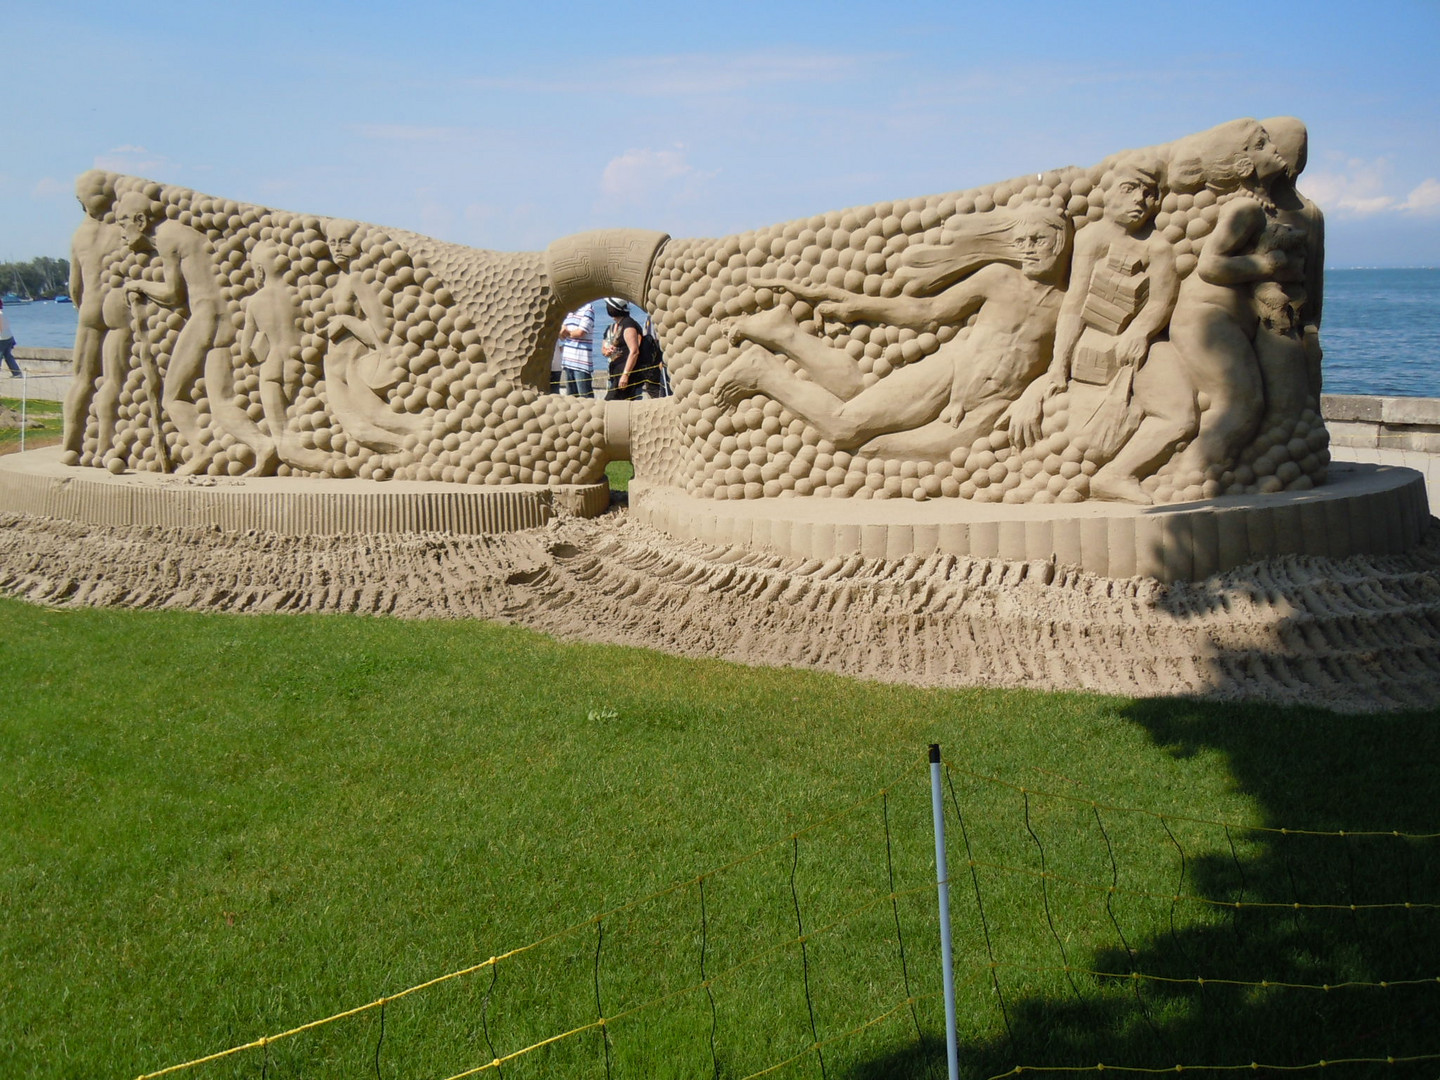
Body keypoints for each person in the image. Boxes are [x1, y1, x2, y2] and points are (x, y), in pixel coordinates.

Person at [715, 204, 1069, 457]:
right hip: (947, 375)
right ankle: (762, 372)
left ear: (1061, 240)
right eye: (1021, 242)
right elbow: (929, 313)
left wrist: (1034, 394)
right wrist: (859, 305)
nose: (1027, 250)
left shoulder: (1068, 306)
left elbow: (1062, 369)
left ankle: (784, 334)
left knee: (866, 428)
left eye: (1037, 240)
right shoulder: (999, 278)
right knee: (845, 429)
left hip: (987, 408)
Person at [1018, 159, 1193, 503]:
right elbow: (1075, 304)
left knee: (1181, 417)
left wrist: (1141, 330)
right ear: (1106, 194)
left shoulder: (1157, 246)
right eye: (1130, 189)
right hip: (1095, 343)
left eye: (1149, 193)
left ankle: (1117, 475)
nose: (1140, 200)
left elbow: (1162, 300)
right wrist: (1058, 366)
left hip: (1141, 345)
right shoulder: (1092, 237)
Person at [1164, 118, 1297, 479]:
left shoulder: (1260, 206)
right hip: (1205, 319)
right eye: (1263, 145)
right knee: (1241, 404)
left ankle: (1211, 472)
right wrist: (1266, 265)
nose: (1276, 150)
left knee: (1245, 404)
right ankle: (1191, 477)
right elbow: (1210, 264)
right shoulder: (1245, 209)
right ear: (1244, 165)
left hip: (1224, 321)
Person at [117, 190, 272, 474]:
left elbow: (173, 294)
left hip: (205, 318)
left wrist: (138, 285)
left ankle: (200, 452)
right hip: (224, 319)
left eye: (122, 223)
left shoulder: (167, 237)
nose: (121, 234)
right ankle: (262, 445)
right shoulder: (186, 233)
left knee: (172, 396)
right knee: (220, 401)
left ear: (140, 220)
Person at [602, 297, 645, 401]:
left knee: (611, 403)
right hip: (617, 375)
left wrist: (625, 374)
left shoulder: (628, 324)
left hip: (625, 376)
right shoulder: (620, 324)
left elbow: (634, 351)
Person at [558, 303, 595, 397]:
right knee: (571, 399)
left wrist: (566, 333)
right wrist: (565, 333)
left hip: (581, 362)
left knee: (585, 397)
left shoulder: (588, 309)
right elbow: (561, 335)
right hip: (567, 361)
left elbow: (580, 332)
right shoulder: (568, 311)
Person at [0, 300, 19, 377]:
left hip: (2, 339)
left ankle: (17, 373)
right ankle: (17, 373)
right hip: (9, 337)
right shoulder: (2, 314)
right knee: (8, 356)